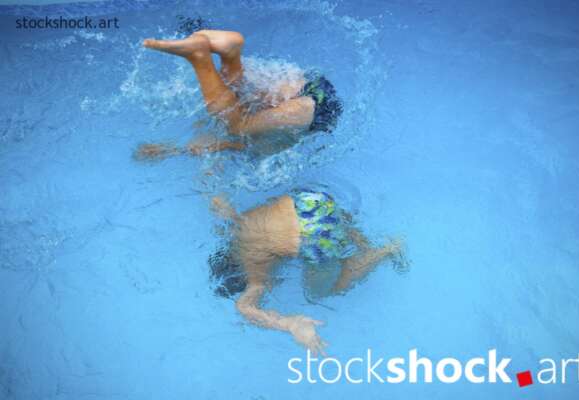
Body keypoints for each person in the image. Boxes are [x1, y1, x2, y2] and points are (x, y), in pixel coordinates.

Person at [209, 189, 402, 354]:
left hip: (314, 235)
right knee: (331, 228)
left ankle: (386, 250)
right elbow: (218, 201)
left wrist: (290, 324)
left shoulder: (253, 263)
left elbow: (245, 307)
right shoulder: (238, 224)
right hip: (309, 201)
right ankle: (353, 238)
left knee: (321, 292)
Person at [135, 30, 342, 160]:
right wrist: (172, 151)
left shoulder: (272, 136)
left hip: (315, 87)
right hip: (309, 112)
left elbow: (224, 143)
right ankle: (199, 57)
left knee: (243, 93)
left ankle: (231, 52)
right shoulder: (271, 146)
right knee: (237, 126)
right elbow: (238, 143)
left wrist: (172, 151)